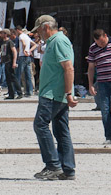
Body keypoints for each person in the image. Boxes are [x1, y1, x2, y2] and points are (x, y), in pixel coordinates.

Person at [32, 15, 78, 180]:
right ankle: (68, 169)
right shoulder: (52, 42)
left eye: (38, 30)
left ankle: (53, 165)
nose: (37, 34)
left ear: (45, 27)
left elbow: (68, 68)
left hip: (53, 94)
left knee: (40, 125)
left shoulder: (59, 41)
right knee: (61, 130)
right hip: (54, 93)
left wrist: (68, 93)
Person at [0, 29, 22, 99]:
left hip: (10, 61)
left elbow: (15, 52)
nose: (1, 35)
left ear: (6, 34)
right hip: (5, 61)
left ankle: (19, 93)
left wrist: (14, 62)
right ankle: (11, 94)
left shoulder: (10, 42)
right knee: (8, 79)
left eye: (2, 33)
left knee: (13, 78)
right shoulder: (2, 42)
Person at [16, 25, 35, 96]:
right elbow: (35, 44)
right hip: (28, 57)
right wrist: (29, 51)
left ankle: (17, 91)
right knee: (28, 75)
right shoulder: (27, 37)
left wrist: (24, 50)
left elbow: (23, 43)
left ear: (18, 30)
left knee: (19, 74)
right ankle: (29, 91)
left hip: (22, 56)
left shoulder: (21, 36)